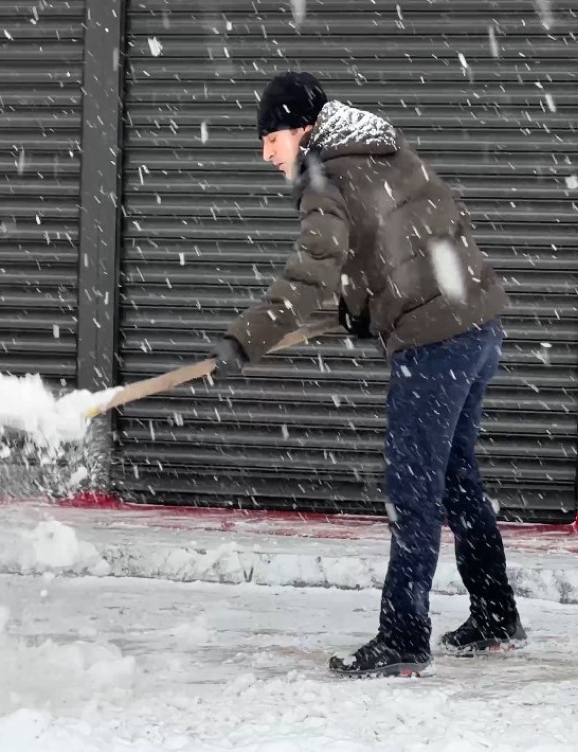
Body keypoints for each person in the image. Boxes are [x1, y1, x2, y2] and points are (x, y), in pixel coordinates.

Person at [212, 72, 526, 678]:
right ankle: (494, 616)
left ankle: (405, 639)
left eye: (270, 137)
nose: (266, 152)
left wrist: (247, 338)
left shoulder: (324, 173)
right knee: (456, 479)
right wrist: (363, 311)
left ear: (301, 129)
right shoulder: (383, 150)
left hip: (434, 342)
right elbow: (400, 241)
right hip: (477, 326)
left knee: (413, 493)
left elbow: (311, 271)